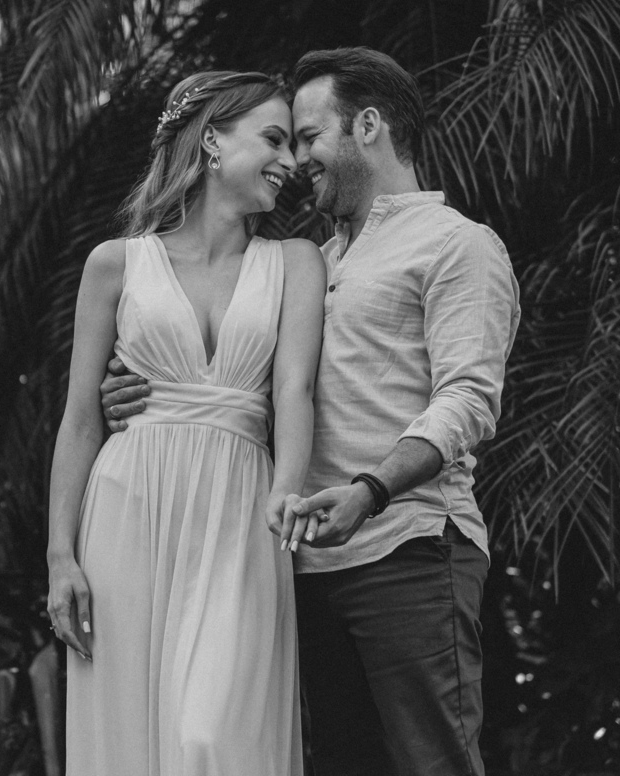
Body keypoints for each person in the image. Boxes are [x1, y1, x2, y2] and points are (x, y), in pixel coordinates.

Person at [101, 47, 522, 776]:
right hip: (303, 565)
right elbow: (247, 388)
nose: (296, 161)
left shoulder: (458, 246)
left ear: (368, 126)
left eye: (308, 136)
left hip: (410, 550)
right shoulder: (307, 263)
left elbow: (467, 400)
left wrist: (370, 490)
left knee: (433, 762)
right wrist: (137, 391)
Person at [46, 70, 326, 776]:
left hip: (243, 513)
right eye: (273, 139)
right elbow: (80, 420)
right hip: (127, 508)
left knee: (213, 735)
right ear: (211, 142)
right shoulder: (115, 265)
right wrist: (60, 558)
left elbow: (294, 390)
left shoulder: (296, 263)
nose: (290, 162)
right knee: (131, 736)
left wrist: (286, 491)